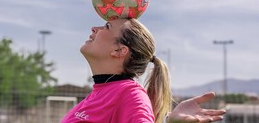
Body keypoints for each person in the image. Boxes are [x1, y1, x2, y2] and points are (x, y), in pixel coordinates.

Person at [61, 18, 226, 123]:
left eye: (107, 26)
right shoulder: (100, 92)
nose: (94, 28)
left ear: (119, 51)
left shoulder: (131, 96)